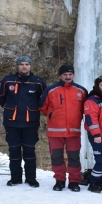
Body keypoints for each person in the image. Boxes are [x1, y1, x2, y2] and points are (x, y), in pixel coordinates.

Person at [0, 56, 46, 187]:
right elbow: (1, 98)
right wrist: (11, 109)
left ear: (30, 66)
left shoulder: (39, 82)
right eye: (22, 64)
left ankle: (31, 178)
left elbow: (43, 100)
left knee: (30, 151)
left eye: (27, 64)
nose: (24, 66)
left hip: (31, 123)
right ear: (17, 66)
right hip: (11, 122)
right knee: (14, 151)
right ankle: (15, 178)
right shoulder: (7, 81)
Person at [40, 64, 87, 192]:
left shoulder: (81, 91)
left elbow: (86, 109)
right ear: (60, 75)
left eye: (70, 74)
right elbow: (42, 106)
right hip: (55, 131)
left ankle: (74, 181)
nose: (68, 77)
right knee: (56, 157)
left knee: (74, 157)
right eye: (65, 74)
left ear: (73, 75)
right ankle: (59, 181)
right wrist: (52, 115)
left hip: (74, 131)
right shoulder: (51, 90)